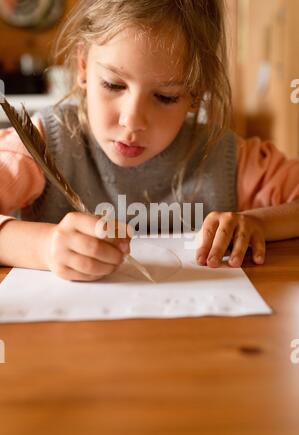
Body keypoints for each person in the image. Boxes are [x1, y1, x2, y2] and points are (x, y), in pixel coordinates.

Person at [0, 0, 298, 282]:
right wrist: (44, 246)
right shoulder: (43, 144)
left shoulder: (227, 157)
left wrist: (258, 224)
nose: (132, 121)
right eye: (114, 84)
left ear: (196, 93)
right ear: (83, 66)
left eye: (165, 97)